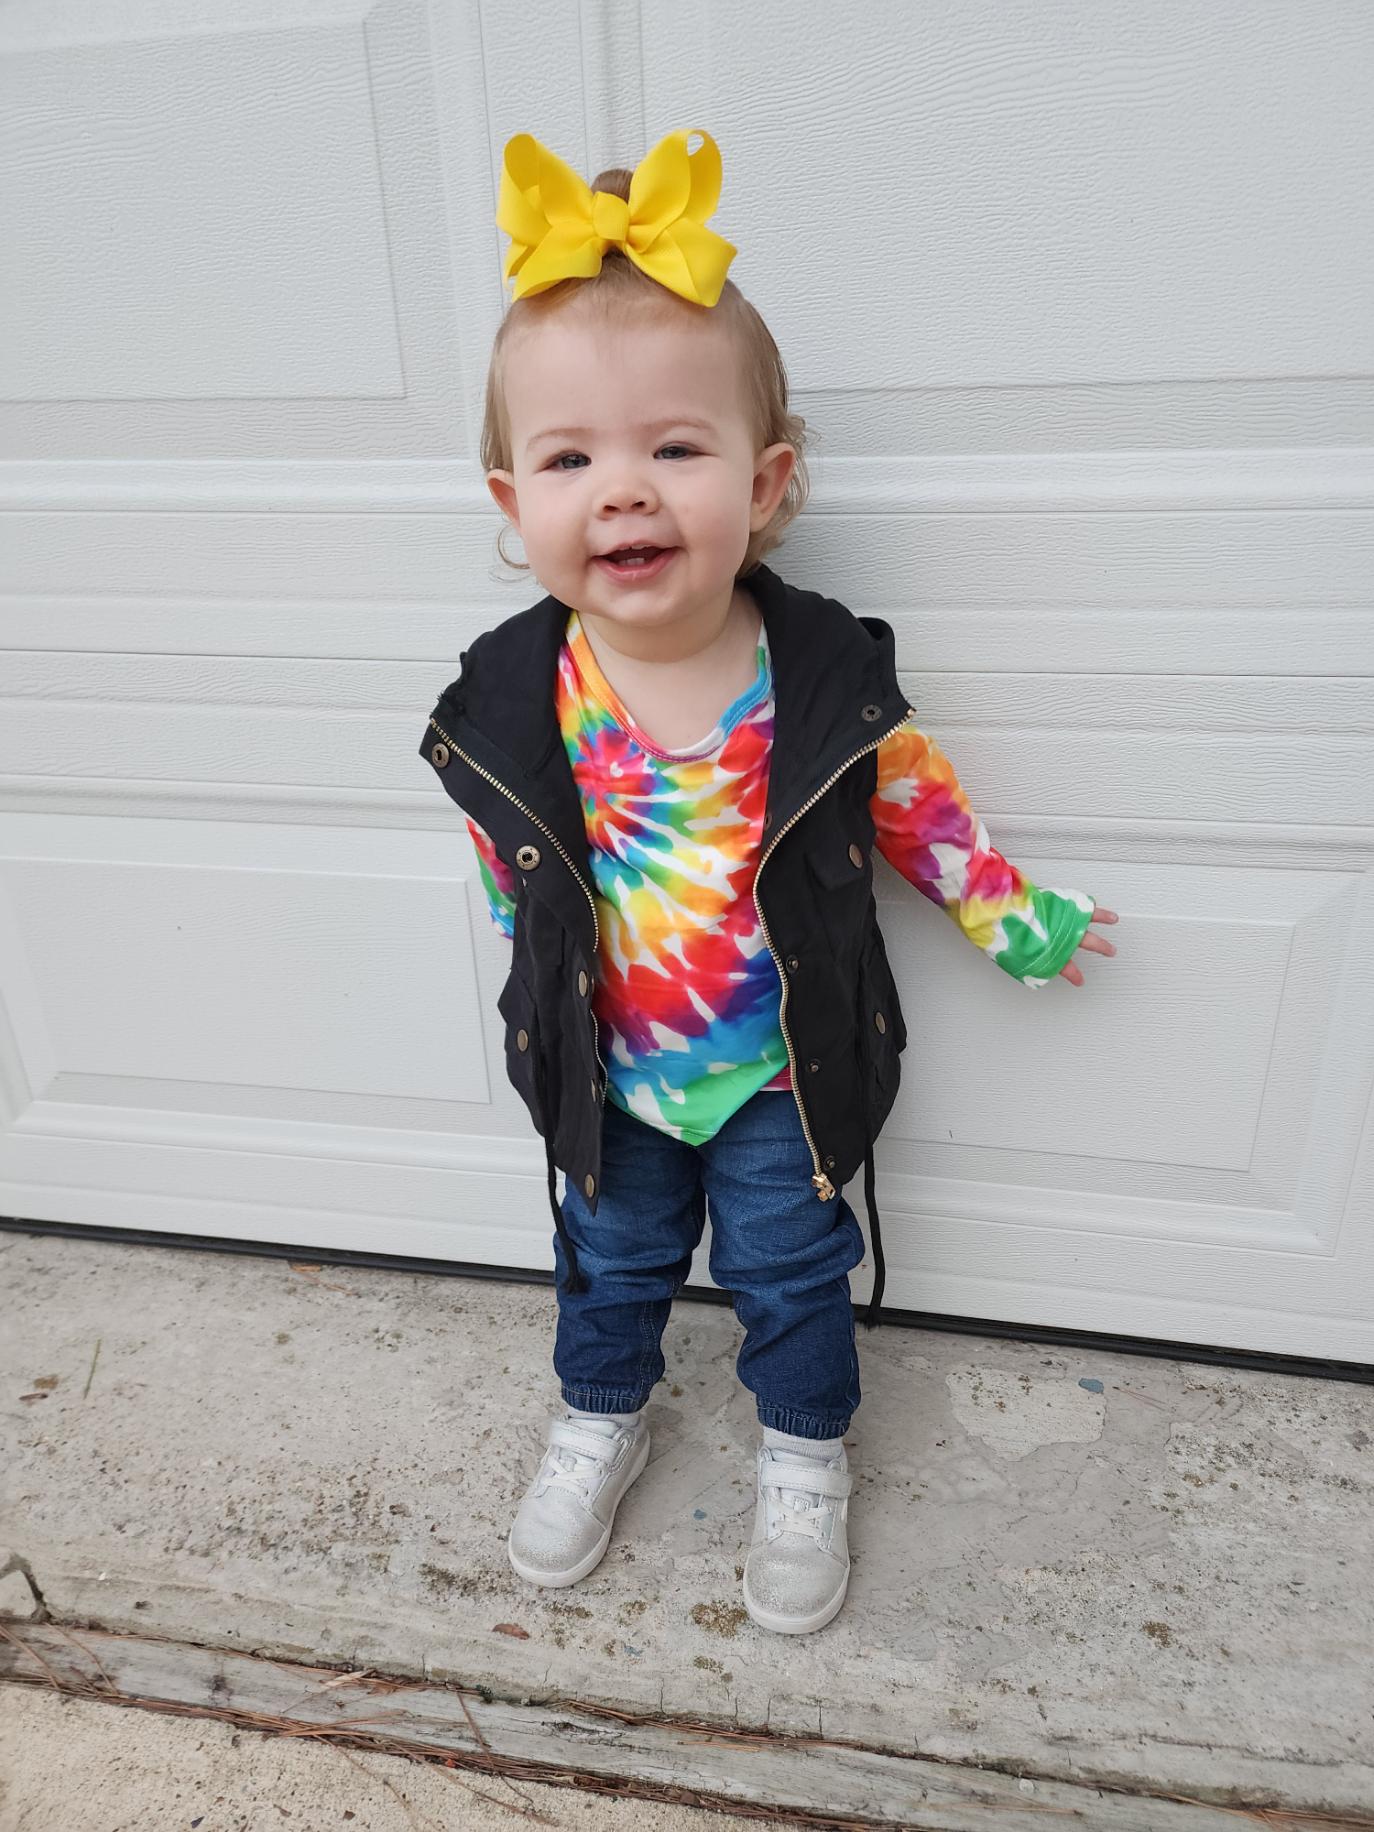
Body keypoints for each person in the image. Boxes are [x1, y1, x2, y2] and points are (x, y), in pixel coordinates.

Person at [419, 128, 1119, 1635]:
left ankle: (804, 1457)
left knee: (792, 1270)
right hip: (609, 1071)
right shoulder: (505, 701)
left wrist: (1009, 913)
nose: (624, 492)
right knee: (604, 1263)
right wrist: (542, 990)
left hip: (775, 1072)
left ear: (769, 479)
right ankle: (599, 1415)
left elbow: (916, 811)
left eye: (674, 448)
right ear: (509, 496)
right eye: (570, 458)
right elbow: (510, 864)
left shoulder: (815, 684)